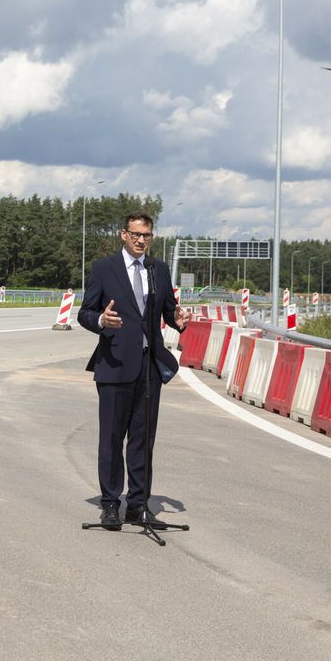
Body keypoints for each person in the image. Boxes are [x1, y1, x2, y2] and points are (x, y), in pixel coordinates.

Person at [77, 211, 189, 529]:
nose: (142, 240)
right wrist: (101, 321)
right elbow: (85, 312)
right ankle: (111, 504)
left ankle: (137, 504)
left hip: (149, 367)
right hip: (114, 364)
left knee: (142, 440)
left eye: (147, 236)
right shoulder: (104, 269)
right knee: (112, 438)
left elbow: (168, 311)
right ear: (123, 234)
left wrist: (178, 322)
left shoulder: (159, 269)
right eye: (136, 234)